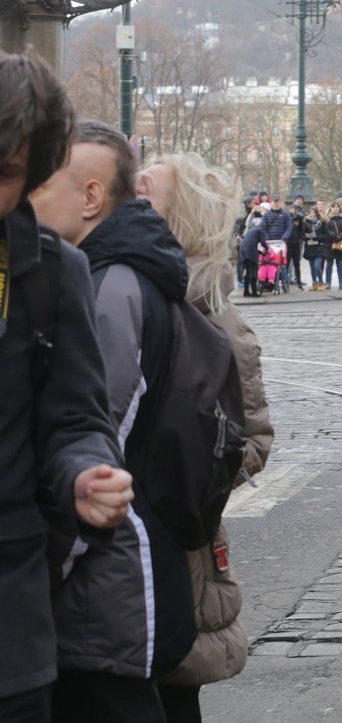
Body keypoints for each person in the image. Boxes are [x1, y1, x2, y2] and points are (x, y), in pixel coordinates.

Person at [31, 120, 199, 722]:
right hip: (128, 567)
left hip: (104, 579)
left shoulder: (111, 286)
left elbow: (102, 440)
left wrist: (39, 568)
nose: (25, 198)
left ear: (92, 197)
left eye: (39, 183)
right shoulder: (122, 269)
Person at [0, 53, 132, 723]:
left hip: (10, 626)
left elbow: (75, 420)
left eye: (5, 174)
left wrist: (84, 475)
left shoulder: (54, 273)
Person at [135, 152, 274, 723]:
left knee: (168, 689)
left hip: (175, 543)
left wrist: (182, 487)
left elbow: (254, 443)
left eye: (144, 196)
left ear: (181, 220)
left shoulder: (214, 317)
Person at [238, 210, 267, 297]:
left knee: (248, 271)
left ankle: (246, 292)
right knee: (253, 271)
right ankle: (254, 292)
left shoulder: (253, 230)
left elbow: (251, 242)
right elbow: (263, 243)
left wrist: (260, 252)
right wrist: (267, 250)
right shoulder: (261, 229)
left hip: (243, 249)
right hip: (250, 250)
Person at [324, 201, 342, 289]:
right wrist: (334, 236)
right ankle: (328, 283)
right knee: (329, 265)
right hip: (330, 244)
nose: (335, 208)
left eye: (337, 207)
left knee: (340, 264)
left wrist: (340, 236)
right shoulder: (327, 219)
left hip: (340, 244)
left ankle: (341, 283)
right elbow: (326, 229)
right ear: (331, 208)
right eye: (333, 207)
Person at [304, 200, 327, 291]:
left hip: (319, 246)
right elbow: (302, 234)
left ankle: (320, 282)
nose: (312, 214)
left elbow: (326, 234)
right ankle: (314, 283)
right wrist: (306, 237)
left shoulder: (321, 222)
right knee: (312, 267)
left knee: (317, 266)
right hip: (309, 246)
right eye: (311, 212)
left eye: (314, 212)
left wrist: (318, 237)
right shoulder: (305, 222)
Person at [287, 195, 306, 289]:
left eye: (301, 200)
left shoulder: (302, 210)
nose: (299, 201)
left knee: (297, 260)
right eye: (298, 199)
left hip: (299, 237)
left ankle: (296, 279)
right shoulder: (291, 209)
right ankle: (289, 278)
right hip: (291, 239)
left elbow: (301, 221)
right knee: (290, 261)